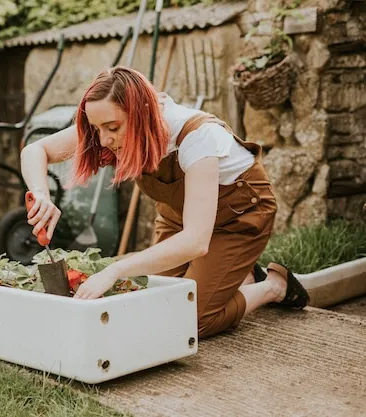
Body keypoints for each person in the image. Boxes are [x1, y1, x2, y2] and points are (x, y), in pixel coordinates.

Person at [20, 66, 309, 339]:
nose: (103, 139)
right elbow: (35, 150)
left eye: (112, 128)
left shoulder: (198, 137)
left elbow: (196, 242)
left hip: (238, 218)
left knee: (189, 319)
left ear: (142, 114)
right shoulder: (110, 124)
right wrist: (42, 194)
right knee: (147, 302)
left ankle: (273, 285)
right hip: (179, 216)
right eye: (96, 129)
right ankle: (236, 273)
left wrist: (116, 269)